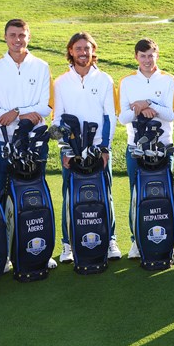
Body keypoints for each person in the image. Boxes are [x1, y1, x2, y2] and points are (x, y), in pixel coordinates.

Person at [0, 19, 56, 272]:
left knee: (35, 195)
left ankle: (39, 249)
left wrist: (14, 113)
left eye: (22, 35)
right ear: (5, 37)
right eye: (13, 35)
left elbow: (46, 108)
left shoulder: (41, 66)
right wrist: (24, 113)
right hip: (2, 141)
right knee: (3, 197)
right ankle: (4, 254)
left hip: (35, 142)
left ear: (29, 36)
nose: (17, 39)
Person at [53, 31, 120, 263]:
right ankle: (67, 243)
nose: (83, 53)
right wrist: (66, 149)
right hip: (72, 150)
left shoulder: (104, 80)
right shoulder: (61, 82)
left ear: (93, 51)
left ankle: (110, 239)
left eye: (87, 48)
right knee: (69, 194)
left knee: (105, 193)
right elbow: (57, 120)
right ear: (71, 51)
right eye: (78, 48)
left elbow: (110, 116)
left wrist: (105, 148)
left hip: (98, 149)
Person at [118, 38, 174, 260]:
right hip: (135, 147)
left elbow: (171, 114)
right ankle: (136, 241)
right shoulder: (126, 82)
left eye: (150, 55)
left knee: (165, 196)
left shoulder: (168, 80)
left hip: (164, 146)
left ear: (157, 56)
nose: (146, 60)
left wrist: (148, 103)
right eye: (142, 56)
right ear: (136, 57)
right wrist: (139, 109)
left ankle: (167, 241)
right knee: (137, 195)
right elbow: (123, 117)